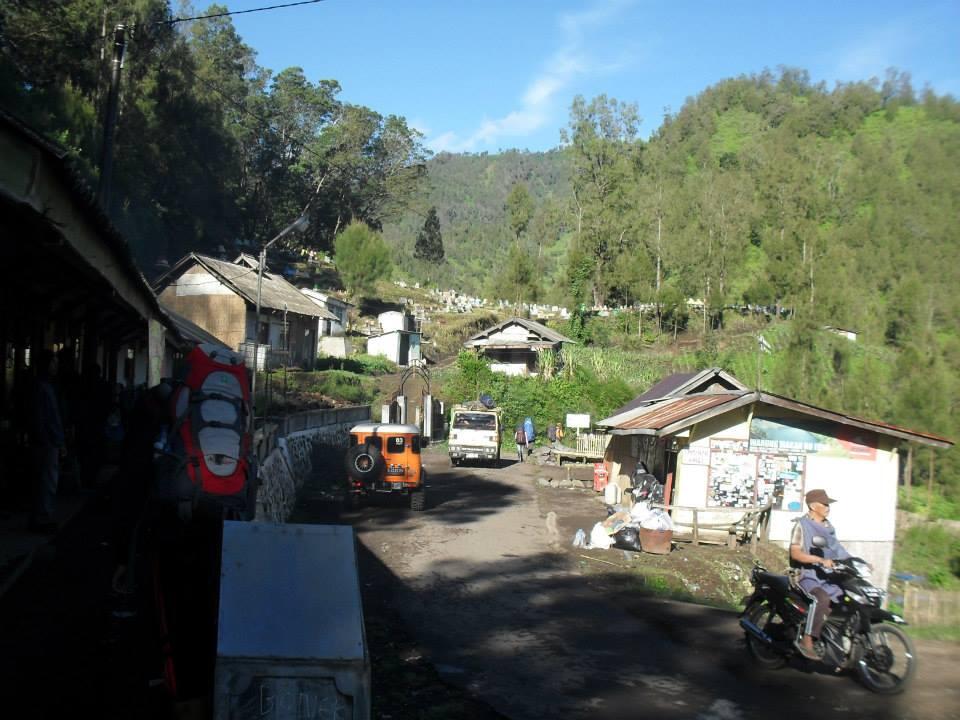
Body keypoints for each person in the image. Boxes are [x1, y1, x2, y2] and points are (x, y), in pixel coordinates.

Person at [789, 488, 851, 660]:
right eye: (825, 504)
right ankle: (807, 640)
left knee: (845, 598)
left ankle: (834, 643)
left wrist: (856, 563)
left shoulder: (829, 527)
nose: (828, 507)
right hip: (806, 575)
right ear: (813, 506)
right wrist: (819, 560)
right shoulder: (802, 526)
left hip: (826, 576)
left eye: (828, 504)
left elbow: (838, 550)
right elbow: (795, 553)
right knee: (821, 599)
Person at [27, 349, 65, 533]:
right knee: (46, 481)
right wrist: (48, 440)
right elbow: (41, 417)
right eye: (53, 363)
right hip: (46, 442)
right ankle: (42, 518)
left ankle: (42, 516)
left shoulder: (45, 386)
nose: (56, 366)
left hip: (49, 440)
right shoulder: (42, 387)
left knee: (45, 480)